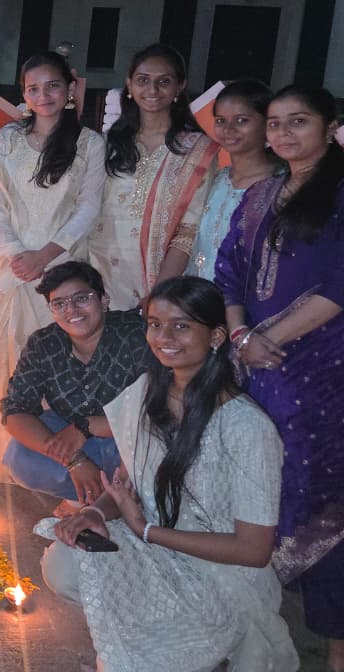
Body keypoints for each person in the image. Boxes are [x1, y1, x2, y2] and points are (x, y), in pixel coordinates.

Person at [39, 276, 297, 672]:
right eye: (155, 324)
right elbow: (127, 481)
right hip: (154, 544)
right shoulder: (147, 392)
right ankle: (143, 625)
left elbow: (253, 551)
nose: (163, 338)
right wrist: (95, 512)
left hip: (220, 578)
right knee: (63, 563)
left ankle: (186, 642)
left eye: (181, 325)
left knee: (128, 663)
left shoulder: (246, 426)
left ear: (216, 336)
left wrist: (146, 530)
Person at [217, 84, 344, 671]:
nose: (283, 134)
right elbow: (229, 270)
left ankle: (332, 635)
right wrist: (241, 335)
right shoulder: (261, 193)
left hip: (322, 368)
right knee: (258, 473)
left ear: (330, 126)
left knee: (319, 484)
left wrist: (268, 339)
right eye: (275, 123)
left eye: (299, 121)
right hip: (255, 367)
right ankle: (260, 604)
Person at [0, 52, 105, 481]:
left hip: (58, 266)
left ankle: (42, 459)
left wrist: (43, 257)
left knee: (43, 358)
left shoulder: (89, 144)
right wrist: (14, 253)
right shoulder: (7, 138)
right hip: (2, 264)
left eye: (53, 86)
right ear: (24, 94)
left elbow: (88, 208)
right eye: (33, 89)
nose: (43, 96)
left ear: (69, 90)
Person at [0, 262, 147, 507]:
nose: (71, 310)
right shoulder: (44, 343)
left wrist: (85, 427)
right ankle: (89, 495)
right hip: (79, 444)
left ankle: (115, 501)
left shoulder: (135, 335)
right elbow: (15, 410)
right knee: (21, 455)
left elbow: (158, 412)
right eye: (59, 304)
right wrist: (74, 461)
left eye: (82, 298)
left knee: (147, 455)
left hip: (131, 439)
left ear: (103, 300)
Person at [89, 43, 219, 310]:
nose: (152, 90)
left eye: (164, 82)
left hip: (160, 277)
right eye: (143, 80)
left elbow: (188, 230)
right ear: (129, 84)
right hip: (98, 270)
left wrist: (160, 292)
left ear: (180, 86)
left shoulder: (197, 149)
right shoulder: (106, 143)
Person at [187, 79, 279, 280]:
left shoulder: (282, 186)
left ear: (268, 123)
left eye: (241, 120)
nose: (228, 129)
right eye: (221, 121)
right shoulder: (214, 180)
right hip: (196, 292)